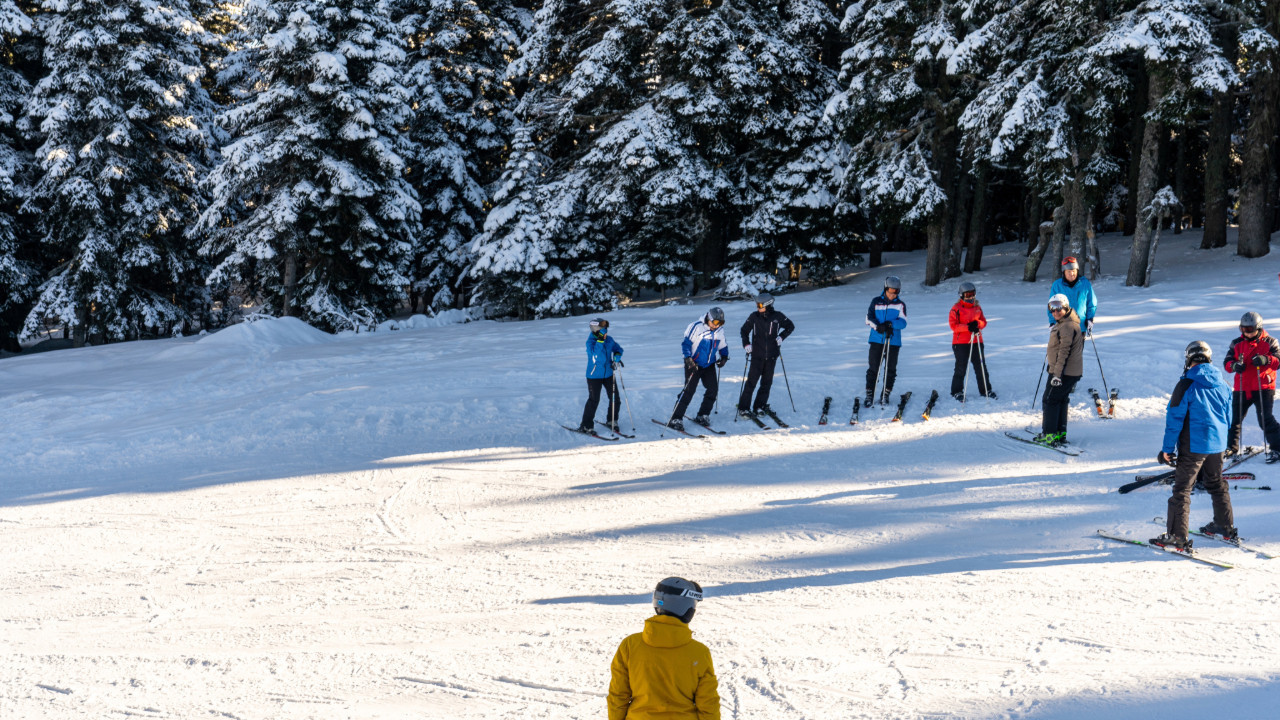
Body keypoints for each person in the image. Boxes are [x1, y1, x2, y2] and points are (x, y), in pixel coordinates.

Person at [1150, 341, 1235, 550]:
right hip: (1217, 445)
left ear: (1189, 360)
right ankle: (1225, 526)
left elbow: (1174, 419)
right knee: (1216, 484)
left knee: (1182, 490)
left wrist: (1167, 449)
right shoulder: (1222, 383)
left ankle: (1177, 536)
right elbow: (1228, 417)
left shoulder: (1186, 384)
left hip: (1194, 446)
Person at [607, 577, 720, 720]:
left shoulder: (630, 645)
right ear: (687, 609)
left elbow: (618, 695)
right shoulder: (699, 652)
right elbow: (708, 704)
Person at [1222, 311, 1280, 463]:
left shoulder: (1270, 342)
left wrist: (1265, 359)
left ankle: (1277, 448)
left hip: (1263, 387)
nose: (1246, 333)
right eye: (1243, 329)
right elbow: (1227, 363)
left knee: (1265, 419)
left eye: (1249, 329)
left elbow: (1278, 361)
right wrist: (1234, 365)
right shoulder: (1236, 343)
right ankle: (1231, 448)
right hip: (1241, 387)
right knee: (1235, 419)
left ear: (1258, 328)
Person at [737, 292, 795, 418]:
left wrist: (781, 337)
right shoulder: (754, 317)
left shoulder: (778, 316)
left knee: (766, 383)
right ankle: (743, 408)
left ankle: (759, 406)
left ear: (768, 305)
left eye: (760, 305)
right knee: (751, 382)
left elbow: (790, 326)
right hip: (757, 356)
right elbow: (744, 330)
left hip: (772, 356)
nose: (758, 307)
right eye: (757, 305)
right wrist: (746, 344)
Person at [670, 307, 729, 431]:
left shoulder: (719, 331)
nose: (717, 326)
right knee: (688, 391)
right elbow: (686, 344)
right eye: (716, 322)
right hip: (693, 364)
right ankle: (676, 418)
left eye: (721, 323)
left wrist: (723, 357)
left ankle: (703, 415)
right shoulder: (696, 327)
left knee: (713, 389)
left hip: (709, 365)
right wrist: (688, 359)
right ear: (709, 319)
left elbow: (723, 346)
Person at [1038, 293, 1084, 445]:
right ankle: (1059, 433)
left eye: (1059, 308)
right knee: (1060, 400)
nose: (1055, 312)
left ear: (1066, 307)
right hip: (1067, 371)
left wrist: (1056, 374)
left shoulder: (1067, 326)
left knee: (1050, 400)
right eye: (1052, 308)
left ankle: (1049, 434)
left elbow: (1064, 351)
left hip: (1063, 372)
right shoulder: (1067, 323)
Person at [947, 281, 995, 401]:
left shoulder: (977, 308)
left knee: (981, 367)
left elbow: (984, 322)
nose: (971, 297)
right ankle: (957, 391)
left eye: (972, 294)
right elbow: (954, 326)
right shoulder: (956, 309)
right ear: (961, 295)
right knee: (961, 367)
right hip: (961, 343)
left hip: (977, 341)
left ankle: (986, 390)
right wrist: (968, 327)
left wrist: (977, 324)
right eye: (968, 295)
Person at [864, 276, 907, 406]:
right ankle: (870, 395)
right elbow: (868, 318)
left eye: (897, 291)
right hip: (877, 340)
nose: (893, 294)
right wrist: (879, 327)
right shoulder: (876, 302)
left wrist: (890, 324)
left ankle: (885, 394)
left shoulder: (900, 304)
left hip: (893, 342)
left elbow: (903, 322)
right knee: (873, 368)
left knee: (890, 369)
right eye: (891, 290)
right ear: (885, 288)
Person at [578, 318, 624, 434]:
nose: (605, 331)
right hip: (594, 376)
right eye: (603, 329)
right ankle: (586, 425)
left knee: (615, 399)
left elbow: (618, 348)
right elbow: (595, 357)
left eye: (606, 329)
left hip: (608, 373)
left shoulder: (609, 340)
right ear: (596, 330)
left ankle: (612, 421)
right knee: (594, 400)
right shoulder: (590, 343)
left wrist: (617, 355)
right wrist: (600, 341)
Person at [1047, 256, 1098, 334]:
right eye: (1068, 271)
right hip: (1062, 328)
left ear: (1077, 271)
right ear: (1064, 272)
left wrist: (1089, 318)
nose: (1071, 274)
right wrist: (1053, 322)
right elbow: (1052, 306)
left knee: (1078, 346)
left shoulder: (1085, 284)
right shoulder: (1057, 285)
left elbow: (1092, 303)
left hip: (1080, 327)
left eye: (1074, 271)